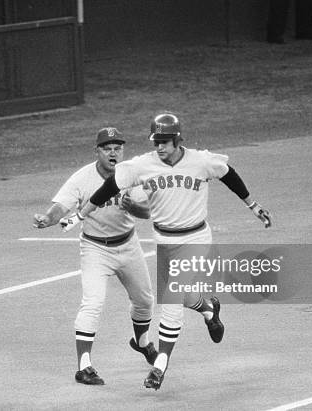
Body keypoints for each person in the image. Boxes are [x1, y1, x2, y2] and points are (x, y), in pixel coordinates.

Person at [62, 113, 271, 390]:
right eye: (156, 141)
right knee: (182, 296)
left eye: (164, 141)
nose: (159, 146)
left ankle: (159, 367)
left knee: (171, 300)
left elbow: (228, 174)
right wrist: (79, 216)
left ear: (177, 140)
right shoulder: (142, 165)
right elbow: (108, 188)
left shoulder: (201, 161)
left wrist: (252, 205)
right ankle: (208, 309)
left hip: (196, 238)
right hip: (165, 241)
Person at [32, 127, 158, 386]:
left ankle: (142, 343)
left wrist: (132, 206)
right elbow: (62, 206)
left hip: (128, 245)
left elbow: (146, 211)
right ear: (97, 151)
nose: (113, 152)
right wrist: (48, 219)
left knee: (145, 301)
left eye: (117, 148)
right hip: (95, 249)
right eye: (107, 148)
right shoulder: (82, 178)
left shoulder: (130, 174)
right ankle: (84, 366)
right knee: (92, 303)